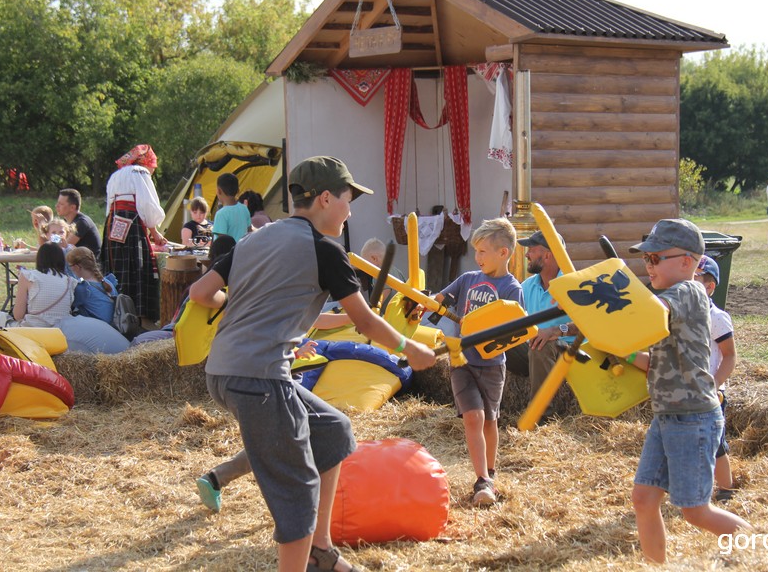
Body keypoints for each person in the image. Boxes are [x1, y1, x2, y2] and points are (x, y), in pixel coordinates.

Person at [188, 155, 436, 572]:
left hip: (223, 371)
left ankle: (320, 551)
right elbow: (363, 319)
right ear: (324, 198)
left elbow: (200, 293)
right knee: (297, 491)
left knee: (333, 429)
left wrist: (236, 307)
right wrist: (408, 347)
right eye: (347, 199)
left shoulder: (255, 238)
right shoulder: (325, 250)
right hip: (260, 379)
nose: (350, 210)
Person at [625, 219, 751, 563]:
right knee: (644, 499)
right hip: (667, 415)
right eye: (645, 259)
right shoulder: (667, 301)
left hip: (693, 417)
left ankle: (759, 551)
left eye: (654, 258)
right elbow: (654, 363)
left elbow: (648, 313)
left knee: (695, 511)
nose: (647, 265)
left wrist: (608, 304)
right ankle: (656, 566)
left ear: (686, 261)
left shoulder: (687, 292)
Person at [435, 218, 522, 506]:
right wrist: (428, 302)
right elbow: (441, 299)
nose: (478, 257)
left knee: (490, 420)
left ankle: (491, 473)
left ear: (503, 253)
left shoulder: (511, 289)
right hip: (461, 359)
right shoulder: (468, 279)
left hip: (492, 363)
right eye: (477, 251)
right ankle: (481, 479)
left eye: (484, 251)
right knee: (474, 416)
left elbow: (513, 332)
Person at [101, 144, 167, 324]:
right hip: (131, 224)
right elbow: (147, 204)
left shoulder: (115, 175)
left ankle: (116, 312)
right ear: (147, 162)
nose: (152, 171)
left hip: (112, 223)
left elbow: (109, 206)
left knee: (117, 269)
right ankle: (137, 316)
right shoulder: (140, 173)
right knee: (136, 267)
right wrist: (154, 231)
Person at [694, 256, 737, 503]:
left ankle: (726, 488)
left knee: (715, 444)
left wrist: (715, 385)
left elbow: (730, 356)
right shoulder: (682, 315)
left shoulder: (717, 318)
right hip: (689, 391)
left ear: (710, 287)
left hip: (710, 393)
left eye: (695, 280)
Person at [515, 230, 574, 407]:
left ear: (547, 255)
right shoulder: (526, 286)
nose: (527, 254)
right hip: (534, 350)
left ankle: (540, 417)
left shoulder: (573, 284)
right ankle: (490, 409)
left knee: (541, 346)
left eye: (531, 250)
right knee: (494, 345)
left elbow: (589, 324)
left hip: (569, 351)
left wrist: (556, 331)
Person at [12, 243, 77, 328]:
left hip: (33, 329)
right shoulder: (70, 281)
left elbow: (18, 316)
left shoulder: (28, 276)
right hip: (61, 331)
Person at [66, 246, 118, 325]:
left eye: (70, 266)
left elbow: (67, 306)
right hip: (116, 326)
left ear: (76, 267)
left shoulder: (83, 288)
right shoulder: (108, 282)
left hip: (100, 329)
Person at [358, 237, 405, 311]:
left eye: (366, 263)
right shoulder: (397, 271)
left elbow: (383, 294)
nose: (365, 269)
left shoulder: (380, 273)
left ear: (374, 258)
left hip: (390, 318)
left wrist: (369, 310)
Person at [56, 188, 102, 258]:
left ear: (72, 207)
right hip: (76, 264)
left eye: (61, 204)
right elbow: (53, 245)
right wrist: (40, 228)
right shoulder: (65, 222)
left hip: (89, 266)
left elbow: (62, 248)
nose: (56, 206)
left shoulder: (82, 223)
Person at [212, 173, 251, 242]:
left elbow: (221, 242)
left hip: (229, 252)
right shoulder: (244, 209)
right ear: (238, 190)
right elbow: (249, 232)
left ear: (219, 191)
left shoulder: (221, 214)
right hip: (243, 250)